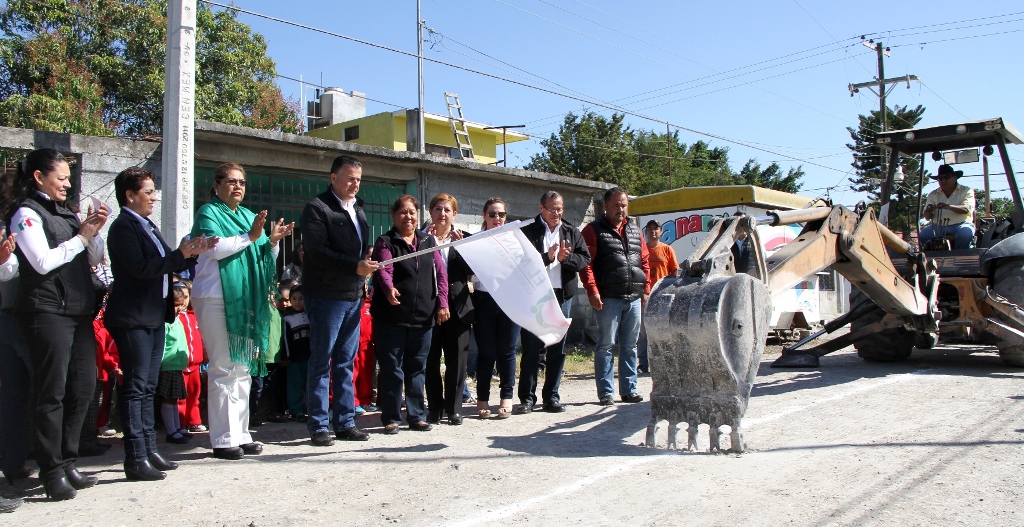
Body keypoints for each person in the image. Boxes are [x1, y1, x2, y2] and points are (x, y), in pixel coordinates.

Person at [5, 148, 108, 500]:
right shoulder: (26, 213)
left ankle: (68, 460)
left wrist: (93, 233)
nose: (67, 184)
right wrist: (80, 238)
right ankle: (50, 470)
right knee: (53, 391)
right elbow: (41, 262)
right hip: (46, 311)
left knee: (83, 387)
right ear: (39, 177)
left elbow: (94, 258)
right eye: (61, 178)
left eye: (68, 178)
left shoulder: (66, 212)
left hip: (78, 310)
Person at [105, 166, 215, 481]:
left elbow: (166, 262)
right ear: (130, 195)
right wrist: (180, 254)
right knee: (136, 387)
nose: (154, 197)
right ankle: (135, 456)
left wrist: (192, 254)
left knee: (148, 386)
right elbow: (142, 268)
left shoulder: (148, 226)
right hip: (133, 317)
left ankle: (150, 449)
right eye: (149, 191)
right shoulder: (123, 227)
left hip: (153, 316)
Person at [190, 162, 293, 460]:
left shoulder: (249, 216)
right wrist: (251, 236)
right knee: (223, 367)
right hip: (216, 297)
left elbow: (262, 257)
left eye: (242, 182)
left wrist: (272, 242)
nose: (238, 187)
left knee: (242, 369)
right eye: (231, 181)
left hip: (245, 300)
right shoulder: (209, 212)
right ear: (216, 185)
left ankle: (241, 433)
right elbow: (214, 248)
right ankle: (223, 439)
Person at [299, 155, 380, 446]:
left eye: (358, 179)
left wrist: (364, 267)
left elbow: (358, 249)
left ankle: (345, 422)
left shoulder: (357, 208)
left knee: (346, 361)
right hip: (325, 296)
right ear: (333, 178)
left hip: (353, 295)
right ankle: (319, 425)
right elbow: (317, 251)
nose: (355, 184)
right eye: (349, 178)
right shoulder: (316, 208)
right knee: (322, 361)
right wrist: (354, 266)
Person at [372, 194, 449, 434]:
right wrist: (388, 288)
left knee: (417, 367)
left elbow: (441, 273)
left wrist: (442, 303)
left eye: (412, 212)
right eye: (403, 212)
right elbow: (384, 269)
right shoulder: (386, 241)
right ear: (394, 216)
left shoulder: (428, 241)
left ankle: (416, 415)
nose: (408, 217)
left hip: (423, 316)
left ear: (418, 215)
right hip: (391, 317)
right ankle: (391, 417)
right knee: (392, 368)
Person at [515, 191, 591, 415]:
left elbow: (585, 259)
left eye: (560, 209)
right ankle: (527, 398)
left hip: (561, 295)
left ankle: (551, 397)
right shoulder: (528, 231)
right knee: (532, 348)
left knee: (557, 348)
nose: (556, 213)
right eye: (552, 209)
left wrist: (566, 259)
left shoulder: (571, 231)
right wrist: (548, 258)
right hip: (535, 295)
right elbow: (520, 263)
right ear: (542, 208)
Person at [579, 187, 651, 406]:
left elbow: (644, 261)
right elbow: (586, 264)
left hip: (634, 297)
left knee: (630, 345)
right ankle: (606, 393)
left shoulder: (635, 231)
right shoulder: (593, 230)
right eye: (616, 205)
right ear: (605, 206)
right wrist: (592, 291)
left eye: (624, 205)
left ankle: (629, 390)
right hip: (608, 298)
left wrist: (646, 289)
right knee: (606, 345)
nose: (621, 209)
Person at [423, 193, 475, 426]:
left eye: (447, 210)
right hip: (428, 306)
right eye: (438, 209)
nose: (442, 214)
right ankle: (434, 409)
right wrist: (425, 242)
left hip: (458, 307)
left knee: (457, 360)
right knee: (430, 359)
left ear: (454, 214)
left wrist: (461, 247)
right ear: (431, 212)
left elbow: (471, 271)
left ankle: (454, 409)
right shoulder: (421, 238)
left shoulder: (465, 239)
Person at [472, 197, 520, 419]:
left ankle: (506, 397)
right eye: (492, 214)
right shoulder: (474, 241)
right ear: (484, 215)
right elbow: (471, 274)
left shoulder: (515, 241)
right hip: (484, 299)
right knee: (486, 352)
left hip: (510, 299)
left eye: (501, 214)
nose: (497, 218)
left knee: (507, 351)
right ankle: (482, 398)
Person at [0, 220, 32, 510]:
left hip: (11, 314)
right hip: (11, 316)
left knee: (13, 396)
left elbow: (7, 269)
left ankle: (12, 464)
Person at [637, 220, 679, 374]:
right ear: (646, 232)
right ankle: (643, 363)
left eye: (656, 229)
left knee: (663, 330)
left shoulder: (667, 249)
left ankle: (664, 362)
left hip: (661, 296)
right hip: (644, 295)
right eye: (650, 229)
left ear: (661, 232)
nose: (653, 231)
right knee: (643, 332)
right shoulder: (641, 250)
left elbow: (674, 273)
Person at [160, 283, 192, 445]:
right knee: (168, 399)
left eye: (181, 304)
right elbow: (162, 345)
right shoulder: (165, 323)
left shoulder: (178, 320)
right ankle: (171, 430)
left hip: (177, 366)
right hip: (167, 365)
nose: (180, 308)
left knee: (174, 398)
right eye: (176, 305)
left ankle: (177, 427)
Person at [920, 164, 976, 250]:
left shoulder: (966, 191)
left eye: (947, 177)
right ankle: (930, 257)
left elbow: (966, 209)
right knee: (924, 234)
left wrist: (948, 206)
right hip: (938, 226)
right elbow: (927, 217)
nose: (943, 181)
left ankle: (960, 256)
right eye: (940, 178)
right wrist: (929, 211)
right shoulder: (933, 194)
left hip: (961, 224)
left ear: (955, 177)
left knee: (965, 234)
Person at [176, 280, 207, 433]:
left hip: (195, 364)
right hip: (180, 364)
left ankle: (194, 420)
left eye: (187, 297)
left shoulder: (194, 316)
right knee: (180, 396)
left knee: (195, 394)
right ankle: (180, 423)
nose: (184, 301)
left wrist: (204, 353)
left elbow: (201, 338)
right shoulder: (174, 318)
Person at [282, 284, 311, 421]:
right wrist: (287, 356)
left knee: (309, 384)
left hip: (309, 356)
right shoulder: (287, 319)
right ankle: (296, 410)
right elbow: (286, 339)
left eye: (301, 298)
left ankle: (311, 408)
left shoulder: (310, 315)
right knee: (295, 385)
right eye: (294, 298)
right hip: (294, 358)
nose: (297, 302)